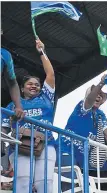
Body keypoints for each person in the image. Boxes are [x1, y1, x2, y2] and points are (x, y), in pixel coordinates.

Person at [2, 39, 56, 193]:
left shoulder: (46, 98)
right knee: (23, 184)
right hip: (21, 146)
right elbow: (3, 130)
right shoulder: (13, 105)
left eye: (37, 84)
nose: (34, 86)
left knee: (45, 183)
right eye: (30, 84)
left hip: (47, 144)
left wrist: (42, 52)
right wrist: (13, 120)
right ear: (21, 88)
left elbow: (50, 74)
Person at [59, 75, 107, 191]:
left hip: (82, 159)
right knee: (70, 187)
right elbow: (89, 100)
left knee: (83, 189)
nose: (98, 96)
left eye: (100, 96)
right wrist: (101, 83)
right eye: (96, 94)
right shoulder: (82, 106)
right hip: (66, 151)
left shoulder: (100, 114)